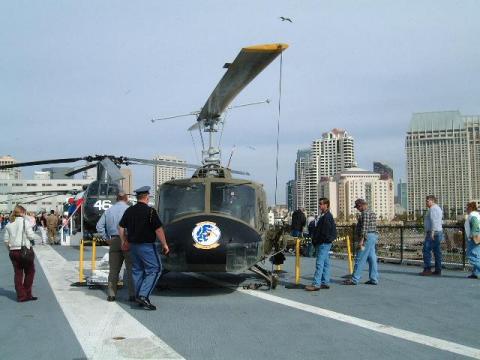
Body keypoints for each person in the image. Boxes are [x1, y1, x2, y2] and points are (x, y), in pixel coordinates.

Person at [118, 186, 169, 310]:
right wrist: (164, 244)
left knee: (137, 270)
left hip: (133, 246)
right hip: (146, 246)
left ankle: (138, 296)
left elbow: (120, 227)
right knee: (155, 269)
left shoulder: (129, 210)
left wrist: (124, 241)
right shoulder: (150, 211)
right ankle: (143, 296)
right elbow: (158, 229)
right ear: (147, 197)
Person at [96, 192, 135, 302]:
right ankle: (132, 295)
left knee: (113, 270)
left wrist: (106, 238)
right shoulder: (130, 210)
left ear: (116, 199)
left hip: (113, 240)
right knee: (131, 269)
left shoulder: (108, 210)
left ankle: (111, 294)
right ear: (126, 199)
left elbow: (99, 226)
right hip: (128, 240)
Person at [4, 205, 40, 302]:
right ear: (21, 212)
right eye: (24, 212)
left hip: (13, 251)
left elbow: (6, 240)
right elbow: (31, 236)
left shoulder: (9, 224)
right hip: (25, 251)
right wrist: (38, 237)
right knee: (30, 272)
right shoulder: (25, 222)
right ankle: (27, 294)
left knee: (18, 273)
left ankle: (21, 295)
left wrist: (11, 250)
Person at [344, 199, 379, 285]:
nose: (357, 209)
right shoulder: (371, 212)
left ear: (361, 205)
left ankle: (355, 279)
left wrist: (361, 240)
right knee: (372, 258)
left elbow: (365, 227)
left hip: (367, 237)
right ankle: (373, 278)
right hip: (373, 235)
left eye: (358, 207)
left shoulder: (365, 213)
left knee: (360, 257)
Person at [305, 198, 337, 291]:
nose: (320, 205)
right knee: (325, 263)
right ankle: (325, 282)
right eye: (319, 204)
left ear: (326, 205)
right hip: (325, 242)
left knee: (319, 263)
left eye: (321, 204)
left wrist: (318, 240)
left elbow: (325, 231)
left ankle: (316, 284)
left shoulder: (326, 216)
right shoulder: (324, 215)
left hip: (323, 243)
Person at [420, 195, 443, 276]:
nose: (426, 202)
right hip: (437, 232)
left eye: (427, 201)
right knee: (436, 251)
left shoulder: (433, 209)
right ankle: (438, 269)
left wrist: (432, 232)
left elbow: (434, 221)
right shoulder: (437, 208)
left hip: (433, 233)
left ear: (432, 201)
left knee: (426, 250)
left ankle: (427, 269)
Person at [464, 201, 480, 279]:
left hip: (474, 238)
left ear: (470, 208)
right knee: (477, 256)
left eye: (467, 207)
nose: (466, 209)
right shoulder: (476, 214)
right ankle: (476, 273)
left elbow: (475, 225)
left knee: (471, 256)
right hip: (476, 237)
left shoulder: (472, 215)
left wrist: (474, 236)